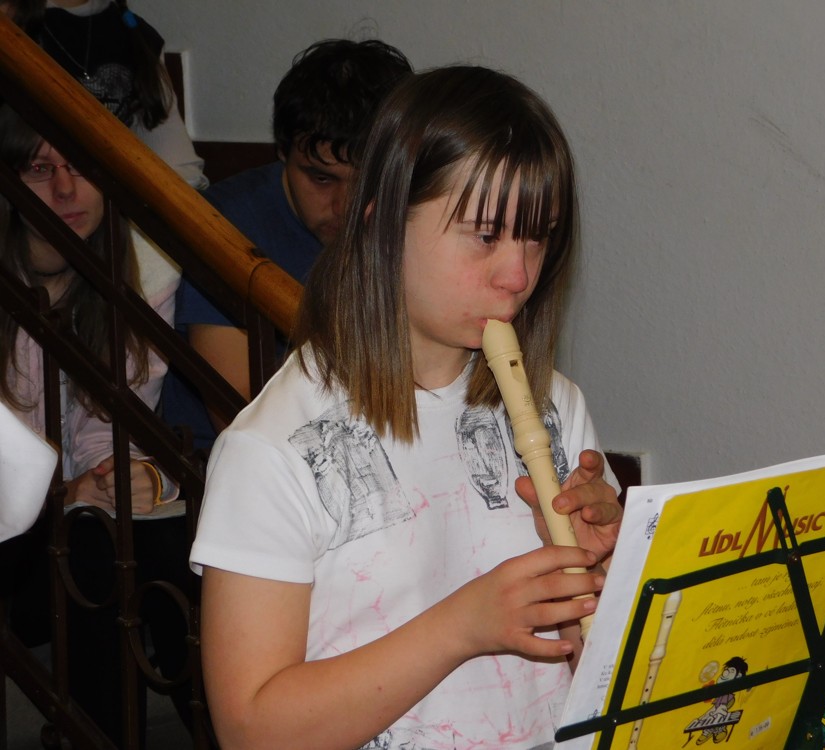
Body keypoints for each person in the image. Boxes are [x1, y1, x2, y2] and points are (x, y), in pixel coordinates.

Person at [190, 65, 623, 749]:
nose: (518, 275)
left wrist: (606, 572)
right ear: (383, 227)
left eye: (537, 236)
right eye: (486, 235)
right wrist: (463, 626)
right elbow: (251, 730)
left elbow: (596, 672)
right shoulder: (274, 449)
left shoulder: (555, 407)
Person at [0, 105, 190, 747]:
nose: (65, 189)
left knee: (149, 536)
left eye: (79, 166)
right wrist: (60, 496)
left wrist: (132, 476)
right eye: (38, 168)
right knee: (91, 544)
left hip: (67, 534)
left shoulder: (142, 277)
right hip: (9, 539)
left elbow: (113, 424)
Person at [164, 38, 412, 452]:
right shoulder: (225, 227)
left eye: (368, 180)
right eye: (321, 178)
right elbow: (242, 418)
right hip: (219, 464)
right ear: (282, 151)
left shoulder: (415, 216)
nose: (345, 206)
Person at [4, 0, 207, 190]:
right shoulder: (11, 25)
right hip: (33, 197)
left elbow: (173, 157)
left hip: (114, 200)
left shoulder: (138, 35)